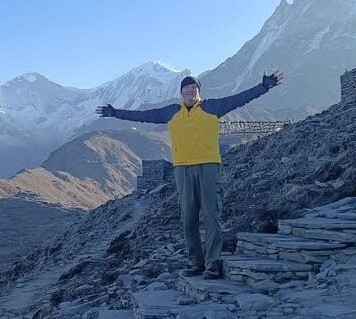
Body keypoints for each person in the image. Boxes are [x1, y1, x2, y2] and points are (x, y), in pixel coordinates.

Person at [96, 71, 284, 279]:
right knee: (188, 219)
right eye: (186, 87)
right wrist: (115, 113)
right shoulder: (171, 111)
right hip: (182, 169)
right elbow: (143, 116)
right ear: (181, 92)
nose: (190, 90)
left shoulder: (211, 107)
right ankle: (196, 263)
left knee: (211, 216)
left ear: (199, 91)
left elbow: (239, 99)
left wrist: (263, 87)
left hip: (208, 166)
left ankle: (213, 264)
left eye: (194, 87)